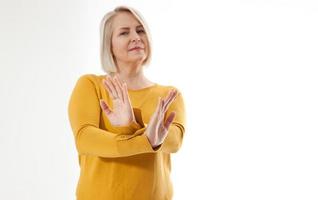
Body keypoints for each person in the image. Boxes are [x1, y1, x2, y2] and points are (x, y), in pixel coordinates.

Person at [67, 5, 186, 200]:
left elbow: (174, 141)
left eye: (140, 30)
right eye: (124, 32)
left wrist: (132, 126)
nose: (136, 37)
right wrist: (147, 139)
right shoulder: (91, 85)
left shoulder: (169, 95)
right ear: (109, 44)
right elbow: (85, 139)